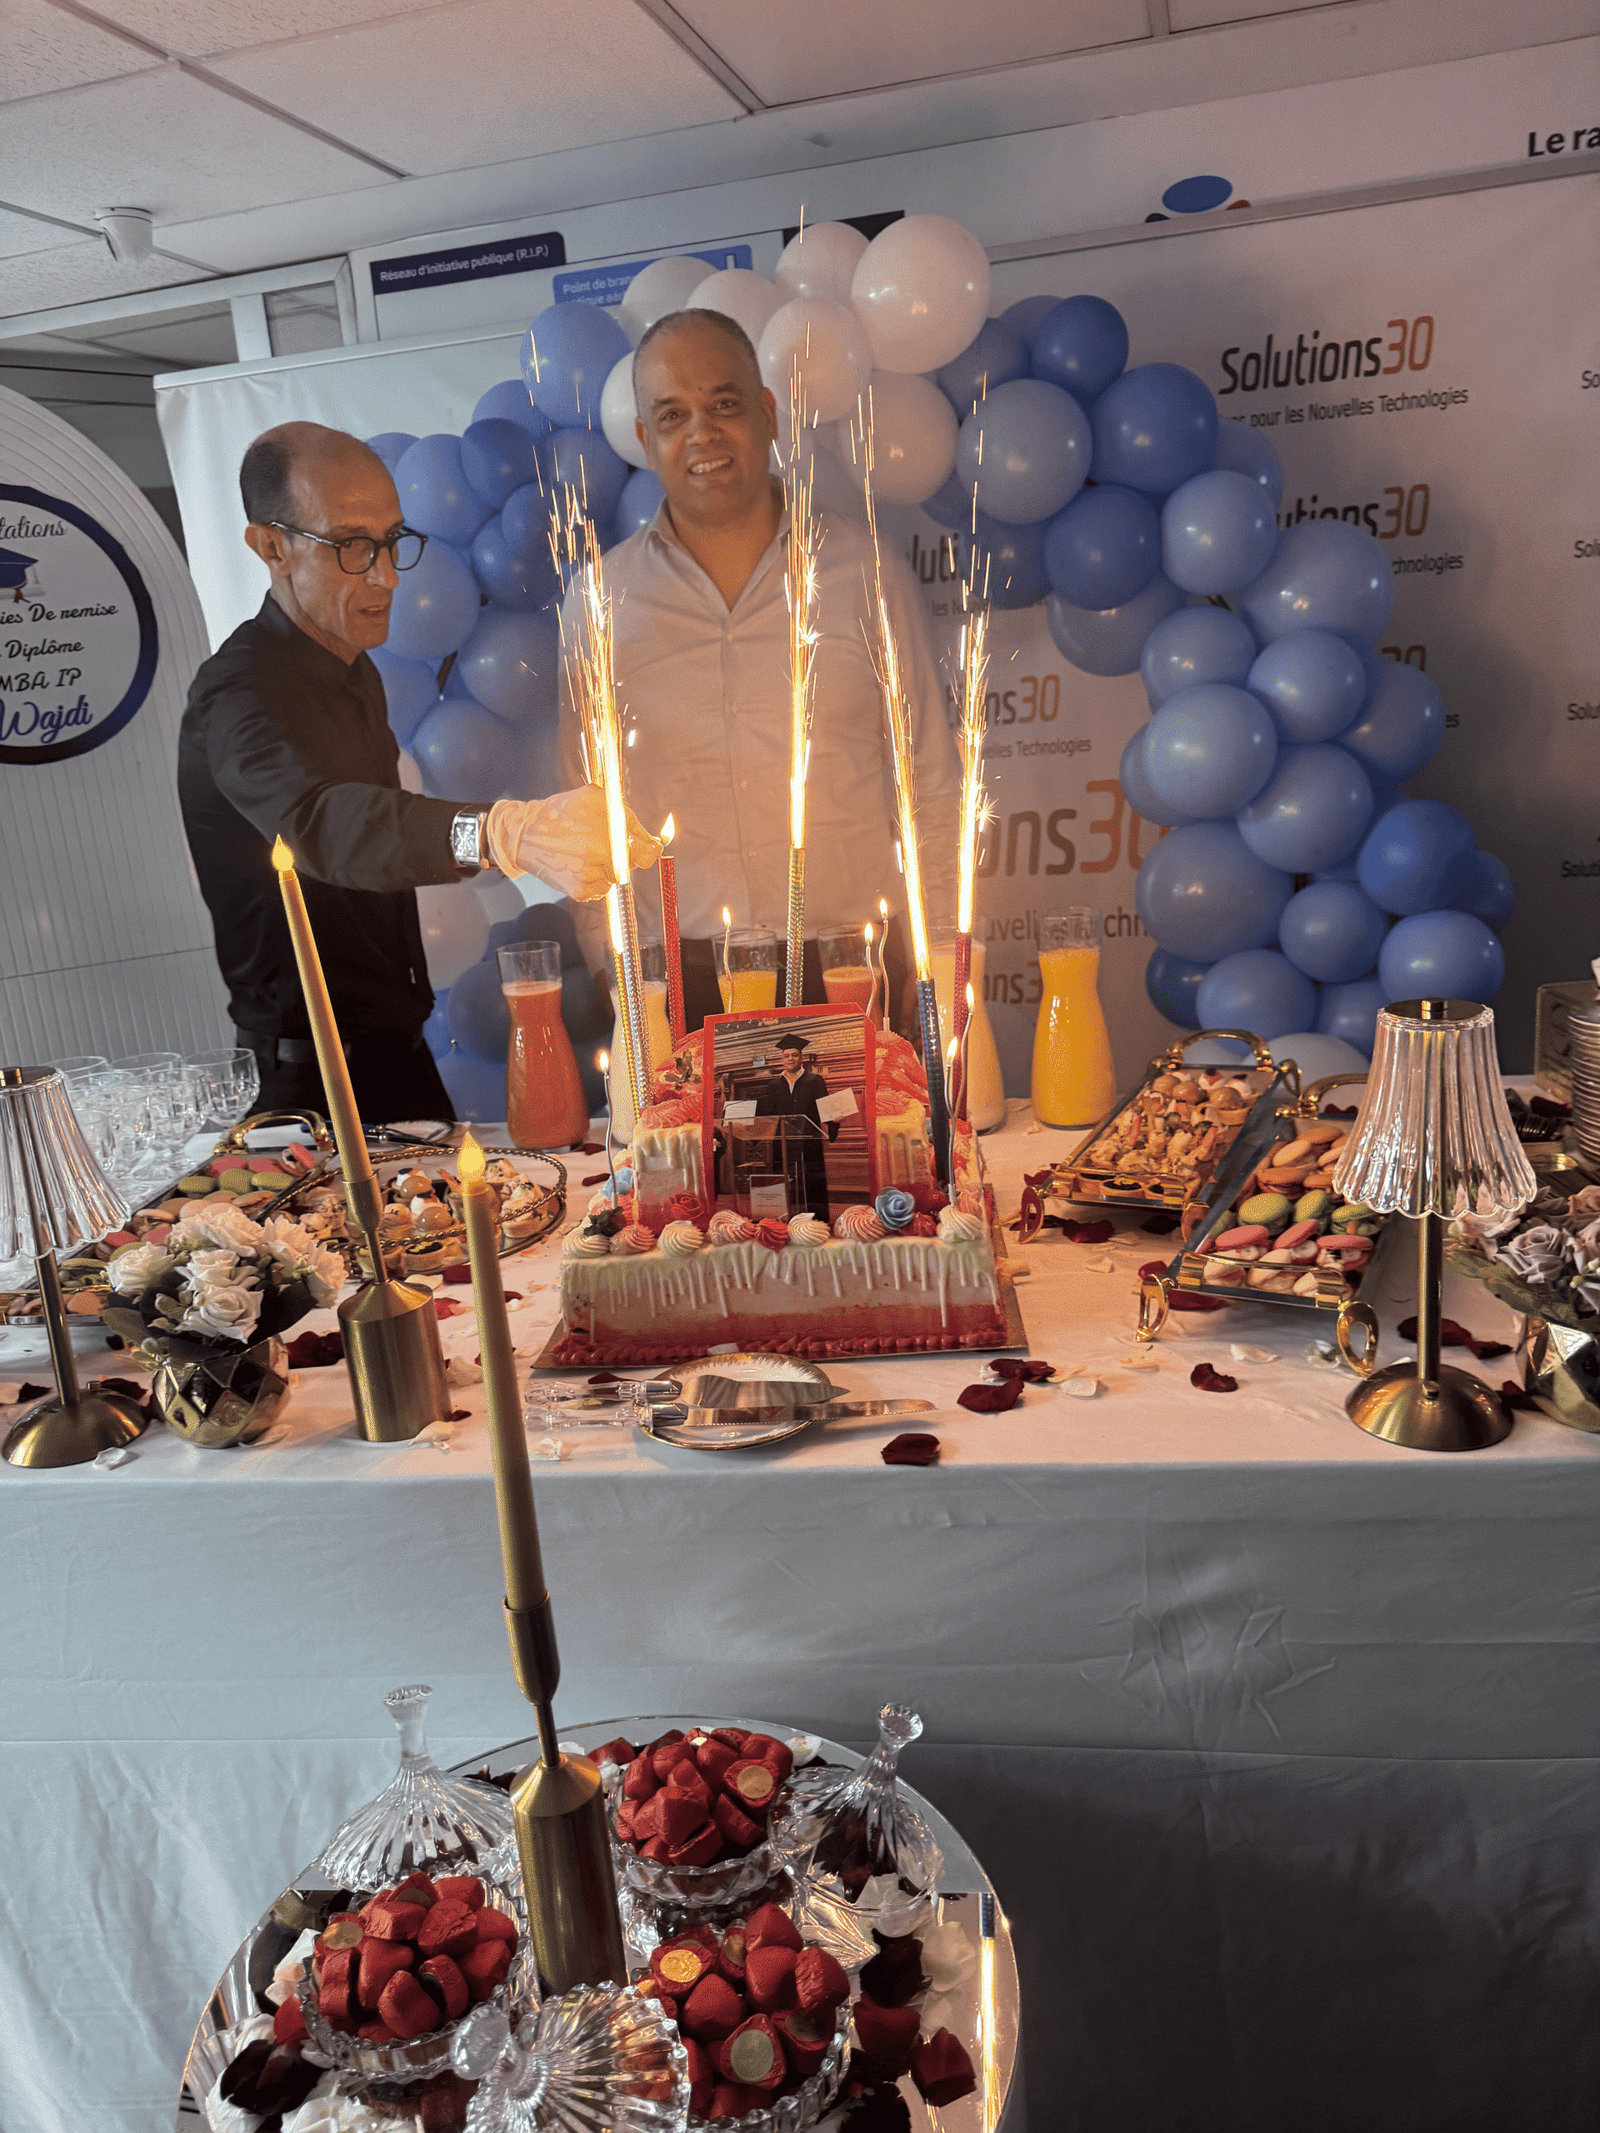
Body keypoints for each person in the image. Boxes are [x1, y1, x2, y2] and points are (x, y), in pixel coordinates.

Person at [178, 421, 656, 1123]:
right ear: (272, 547)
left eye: (391, 540)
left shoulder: (352, 671)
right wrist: (497, 833)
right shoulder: (238, 690)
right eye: (351, 546)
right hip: (308, 1088)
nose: (387, 576)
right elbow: (322, 824)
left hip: (397, 1060)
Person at [557, 309, 960, 1031]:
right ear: (646, 439)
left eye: (724, 404)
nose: (701, 434)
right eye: (673, 416)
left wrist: (940, 956)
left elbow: (928, 774)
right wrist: (614, 969)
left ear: (767, 413)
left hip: (854, 964)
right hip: (681, 981)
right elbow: (585, 805)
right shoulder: (600, 603)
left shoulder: (865, 571)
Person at [752, 1033, 837, 1221]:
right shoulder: (774, 1085)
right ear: (782, 1060)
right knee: (783, 1179)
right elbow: (763, 1112)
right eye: (786, 1056)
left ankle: (817, 1221)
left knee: (812, 1180)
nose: (790, 1059)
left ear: (801, 1058)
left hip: (809, 1140)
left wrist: (834, 1121)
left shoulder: (814, 1080)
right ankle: (783, 1219)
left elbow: (825, 1109)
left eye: (794, 1055)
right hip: (782, 1141)